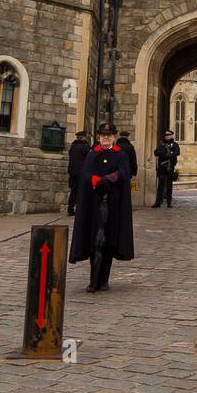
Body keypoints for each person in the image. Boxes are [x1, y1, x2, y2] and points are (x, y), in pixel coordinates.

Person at [70, 121, 135, 292]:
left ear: (114, 137)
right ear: (99, 137)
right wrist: (96, 181)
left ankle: (104, 279)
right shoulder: (93, 154)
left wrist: (111, 178)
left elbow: (123, 173)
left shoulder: (120, 155)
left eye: (109, 135)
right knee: (95, 241)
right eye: (103, 135)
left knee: (109, 242)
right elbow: (86, 174)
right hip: (94, 203)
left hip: (113, 204)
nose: (106, 138)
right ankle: (93, 280)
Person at [151, 129, 180, 208]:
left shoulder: (174, 145)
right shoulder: (161, 145)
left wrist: (170, 155)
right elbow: (156, 152)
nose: (167, 137)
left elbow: (177, 152)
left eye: (169, 135)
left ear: (171, 136)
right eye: (166, 136)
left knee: (169, 185)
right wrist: (164, 154)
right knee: (161, 184)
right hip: (162, 167)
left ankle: (169, 202)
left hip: (170, 167)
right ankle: (158, 202)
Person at [66, 130, 91, 215]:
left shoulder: (73, 146)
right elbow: (89, 158)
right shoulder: (85, 147)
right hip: (82, 172)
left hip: (72, 172)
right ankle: (80, 208)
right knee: (82, 191)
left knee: (74, 191)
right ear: (83, 137)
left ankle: (70, 208)